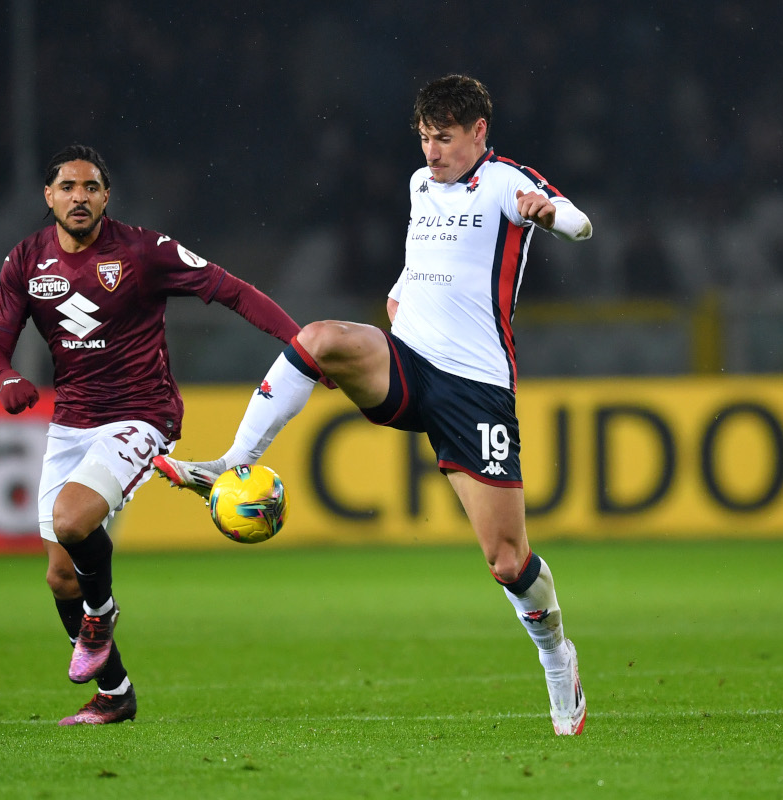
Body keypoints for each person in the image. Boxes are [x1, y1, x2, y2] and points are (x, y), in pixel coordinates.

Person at [154, 74, 593, 735]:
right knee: (320, 338)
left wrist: (547, 213)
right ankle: (229, 461)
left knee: (506, 560)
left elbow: (581, 225)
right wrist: (399, 300)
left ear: (478, 132)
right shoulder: (420, 187)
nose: (431, 153)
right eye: (422, 138)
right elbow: (421, 265)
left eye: (444, 138)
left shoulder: (507, 182)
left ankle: (557, 656)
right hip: (408, 363)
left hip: (474, 388)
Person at [0, 144, 300, 725]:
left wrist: (299, 345)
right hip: (71, 421)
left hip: (142, 414)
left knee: (75, 523)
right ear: (48, 196)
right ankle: (114, 694)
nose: (80, 197)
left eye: (92, 187)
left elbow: (230, 289)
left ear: (107, 196)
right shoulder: (25, 259)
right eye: (68, 187)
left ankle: (100, 615)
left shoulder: (144, 252)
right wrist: (4, 378)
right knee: (58, 573)